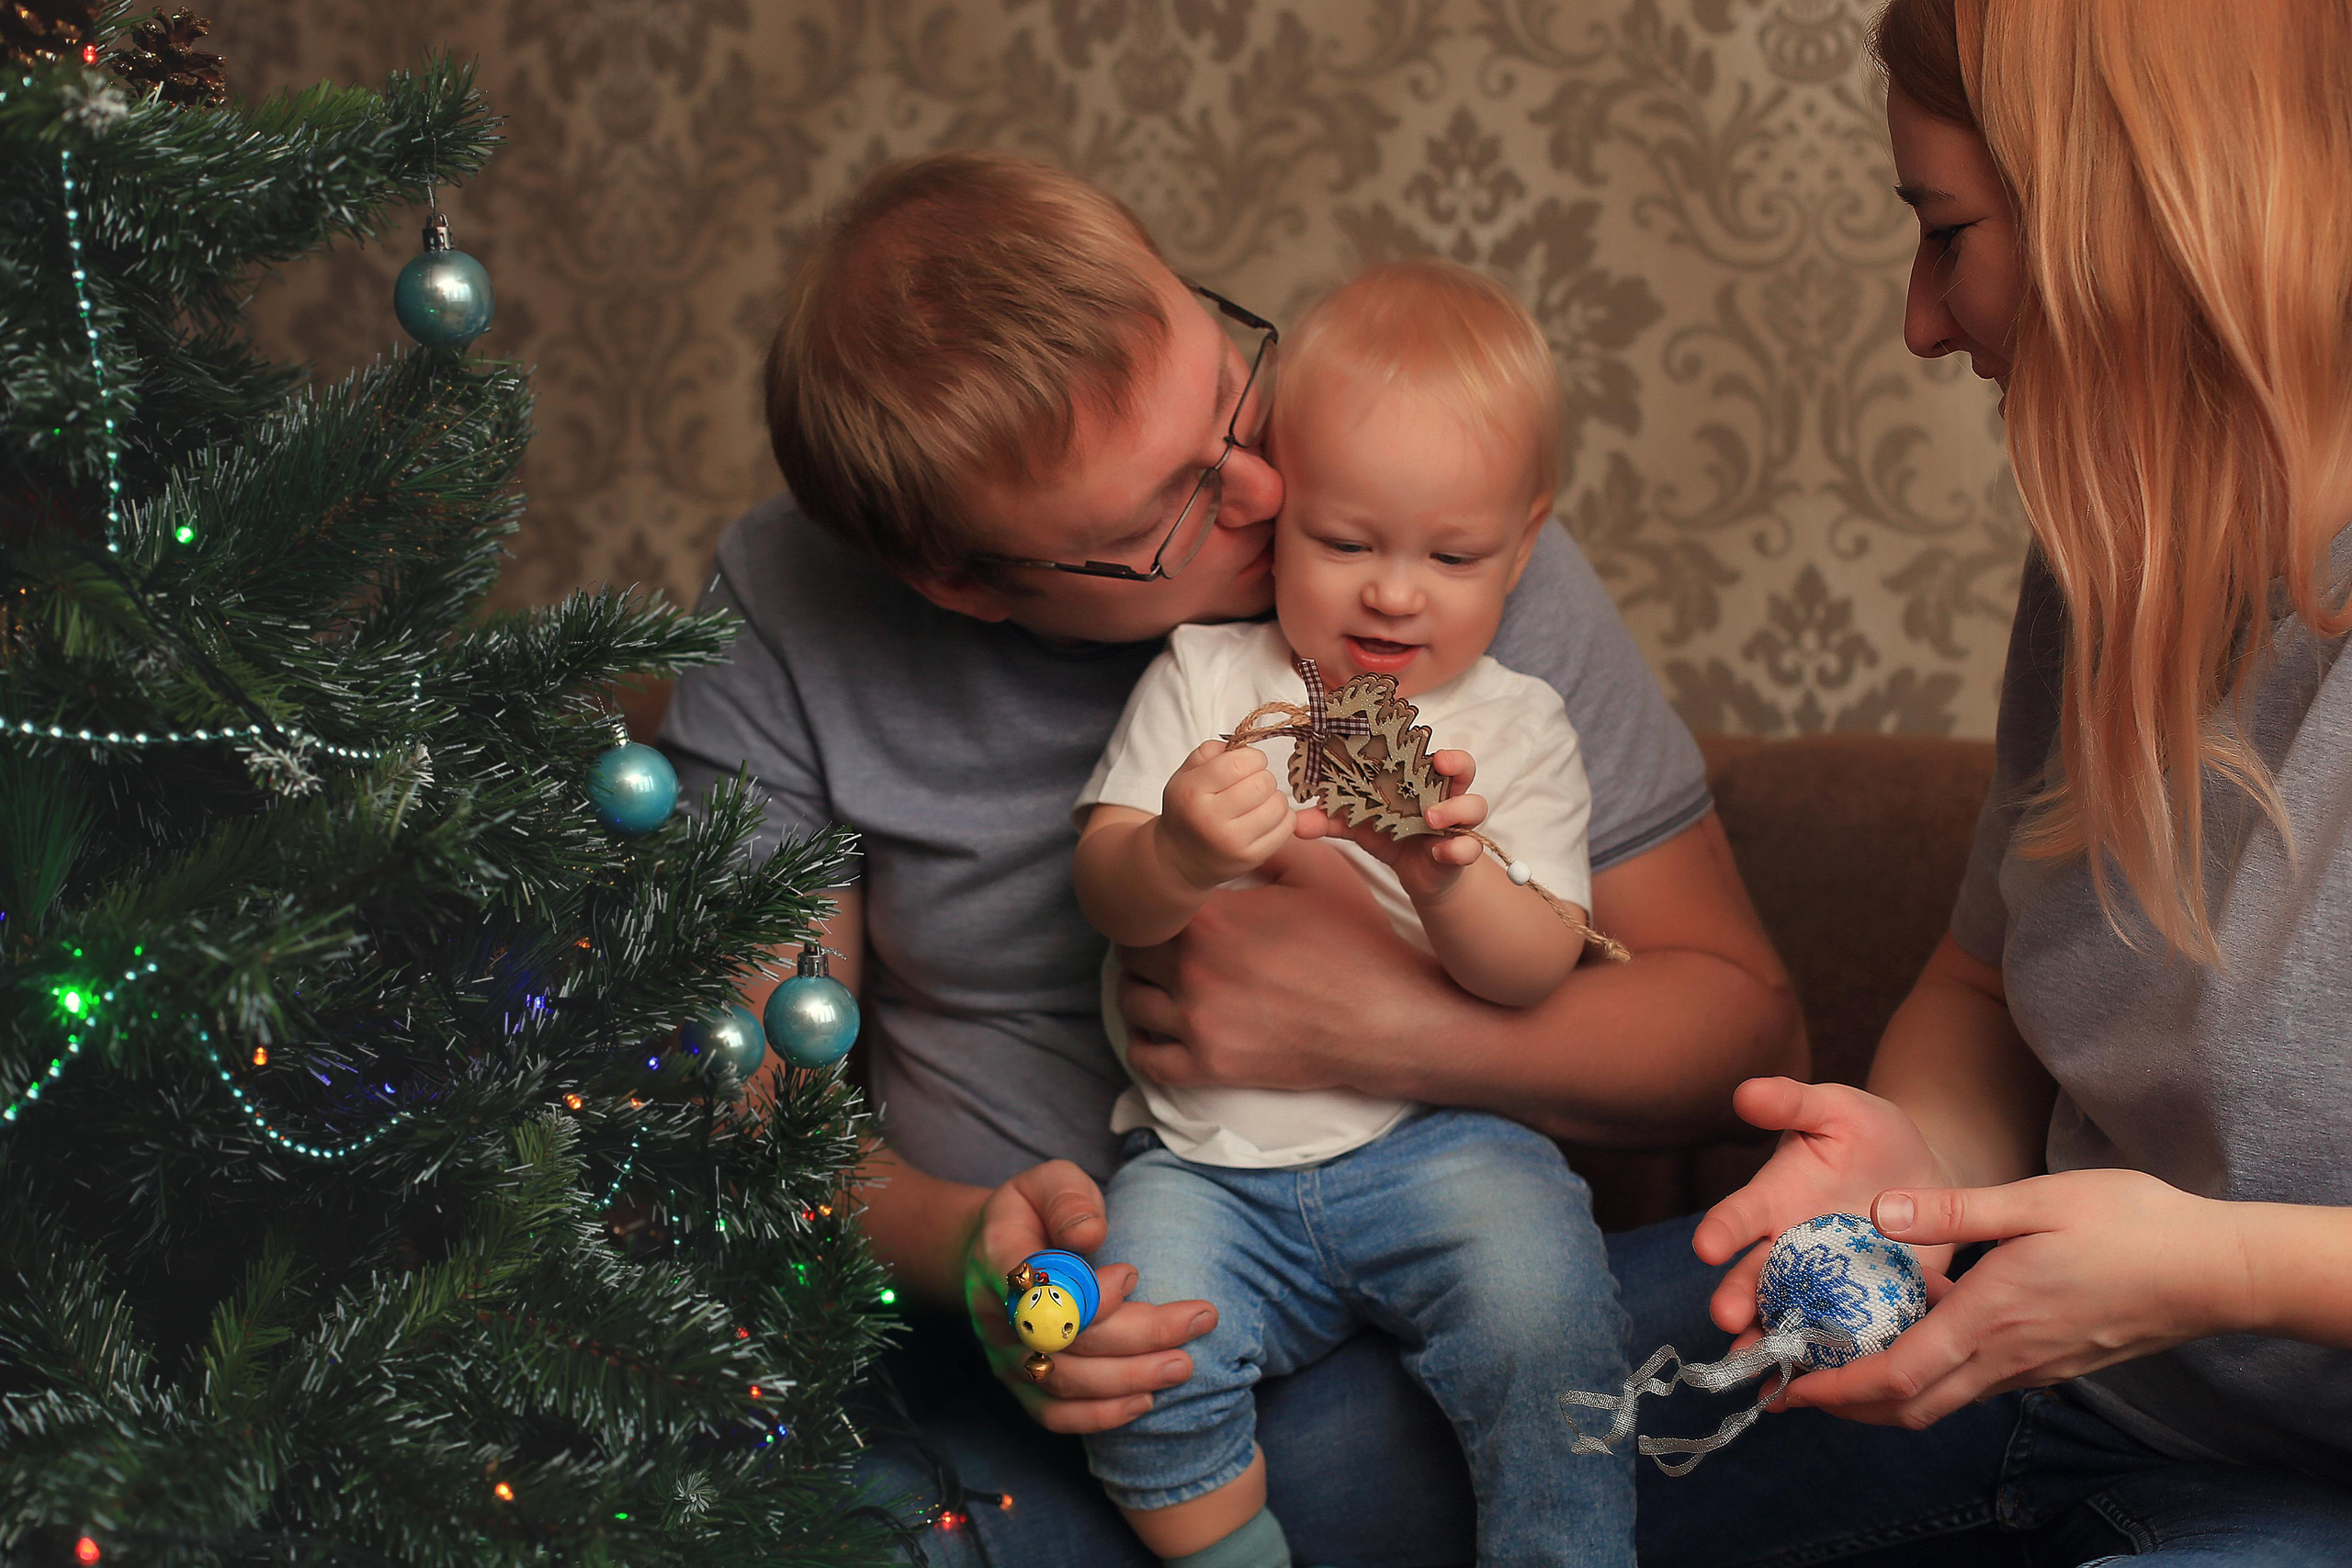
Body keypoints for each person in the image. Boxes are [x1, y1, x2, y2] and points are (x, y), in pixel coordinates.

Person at [655, 152, 1804, 1564]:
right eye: (1166, 516)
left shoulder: (1411, 539)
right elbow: (742, 1121)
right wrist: (976, 1255)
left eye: (1228, 391)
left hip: (1425, 1304)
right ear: (961, 583)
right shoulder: (788, 610)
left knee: (1757, 1301)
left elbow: (1744, 1033)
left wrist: (1386, 1028)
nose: (1267, 492)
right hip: (1084, 1364)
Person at [1623, 1, 2352, 1562]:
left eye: (1945, 233)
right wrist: (1916, 1178)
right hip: (2067, 1382)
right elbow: (1982, 987)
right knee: (1363, 1425)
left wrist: (2220, 1271)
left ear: (2139, 221)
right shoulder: (2126, 540)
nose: (1922, 322)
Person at [1071, 261, 1634, 1568]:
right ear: (1279, 523)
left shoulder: (1516, 723)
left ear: (1526, 542)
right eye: (1343, 543)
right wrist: (1180, 848)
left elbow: (1535, 969)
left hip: (1436, 1149)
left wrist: (1449, 879)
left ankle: (1565, 1552)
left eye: (1452, 556)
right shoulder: (1215, 678)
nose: (1394, 593)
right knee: (1128, 1347)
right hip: (1204, 1168)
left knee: (1548, 1305)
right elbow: (1100, 887)